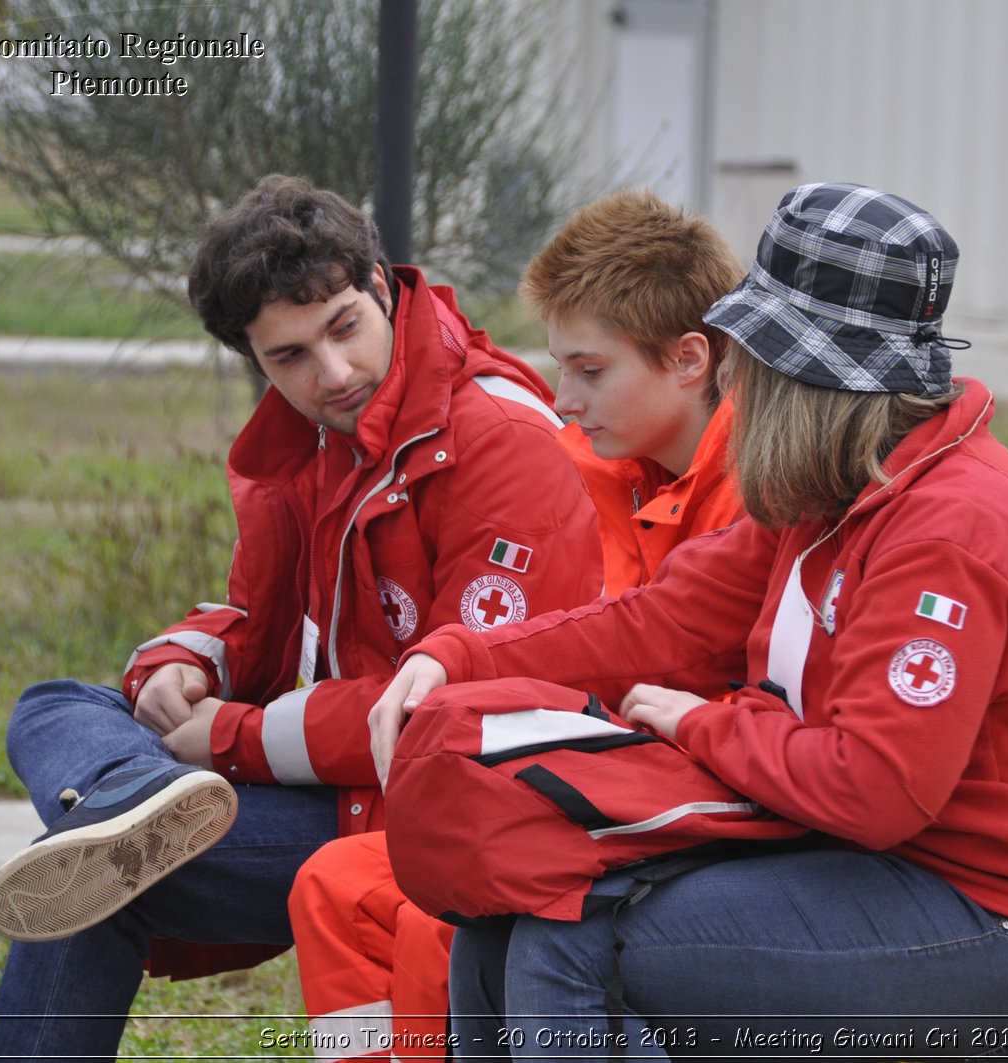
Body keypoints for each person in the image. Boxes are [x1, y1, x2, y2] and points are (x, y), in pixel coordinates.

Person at [369, 183, 1008, 1061]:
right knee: (507, 918)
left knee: (581, 941)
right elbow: (656, 623)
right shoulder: (833, 493)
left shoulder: (949, 531)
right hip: (875, 872)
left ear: (813, 377)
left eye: (755, 354)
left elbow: (877, 787)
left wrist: (706, 723)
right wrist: (457, 655)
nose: (736, 375)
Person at [0, 174, 604, 1062]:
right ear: (254, 359)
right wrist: (184, 669)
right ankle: (133, 798)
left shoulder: (499, 440)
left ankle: (133, 811)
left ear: (383, 285)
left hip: (447, 809)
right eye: (290, 357)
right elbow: (257, 617)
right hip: (346, 787)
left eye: (343, 327)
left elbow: (459, 707)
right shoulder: (314, 436)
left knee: (93, 876)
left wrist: (227, 736)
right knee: (53, 709)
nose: (331, 373)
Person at [287, 188, 748, 1060]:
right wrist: (455, 660)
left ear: (690, 359)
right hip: (593, 783)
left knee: (447, 919)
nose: (562, 396)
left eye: (590, 369)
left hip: (689, 808)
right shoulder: (590, 467)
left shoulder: (758, 497)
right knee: (335, 887)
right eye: (559, 366)